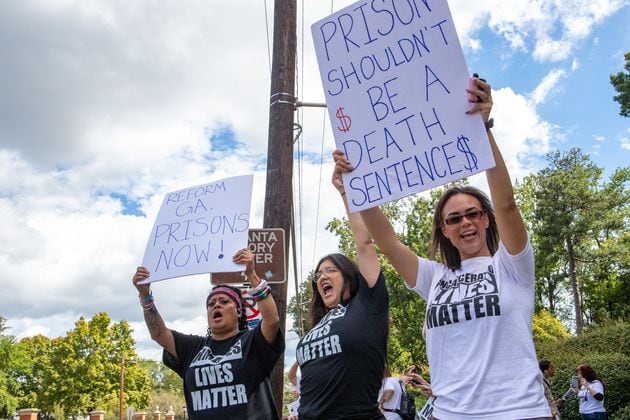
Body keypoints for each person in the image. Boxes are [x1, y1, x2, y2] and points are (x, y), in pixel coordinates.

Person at [334, 77, 551, 419]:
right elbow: (387, 242)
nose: (465, 222)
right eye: (454, 219)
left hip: (519, 411)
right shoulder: (433, 276)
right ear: (445, 231)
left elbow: (507, 204)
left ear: (486, 221)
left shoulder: (512, 265)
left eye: (472, 214)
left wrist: (484, 128)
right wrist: (355, 186)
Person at [132, 249, 284, 419]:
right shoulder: (193, 348)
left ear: (239, 311)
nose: (216, 306)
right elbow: (158, 334)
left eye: (224, 302)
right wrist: (145, 296)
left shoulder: (252, 341)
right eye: (211, 304)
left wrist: (251, 274)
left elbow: (272, 320)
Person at [294, 166, 389, 419]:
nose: (322, 277)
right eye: (318, 275)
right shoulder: (319, 323)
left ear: (349, 275)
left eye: (330, 271)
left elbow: (364, 243)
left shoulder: (368, 305)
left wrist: (346, 191)